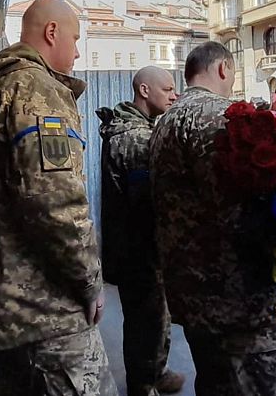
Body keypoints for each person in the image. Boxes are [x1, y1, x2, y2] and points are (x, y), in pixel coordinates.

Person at [0, 0, 116, 396]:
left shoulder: (0, 85)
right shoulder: (36, 89)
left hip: (9, 305)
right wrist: (89, 281)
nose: (77, 53)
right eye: (75, 40)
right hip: (47, 311)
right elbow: (56, 203)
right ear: (52, 32)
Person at [150, 41, 276, 396]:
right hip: (237, 298)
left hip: (190, 292)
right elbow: (239, 210)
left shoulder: (165, 121)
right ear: (223, 68)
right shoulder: (220, 117)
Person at [96, 66, 184, 396]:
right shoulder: (134, 138)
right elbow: (148, 203)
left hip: (143, 246)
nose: (174, 96)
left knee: (156, 315)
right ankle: (143, 384)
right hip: (137, 249)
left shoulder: (142, 128)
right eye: (168, 90)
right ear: (144, 91)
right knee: (144, 318)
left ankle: (155, 371)